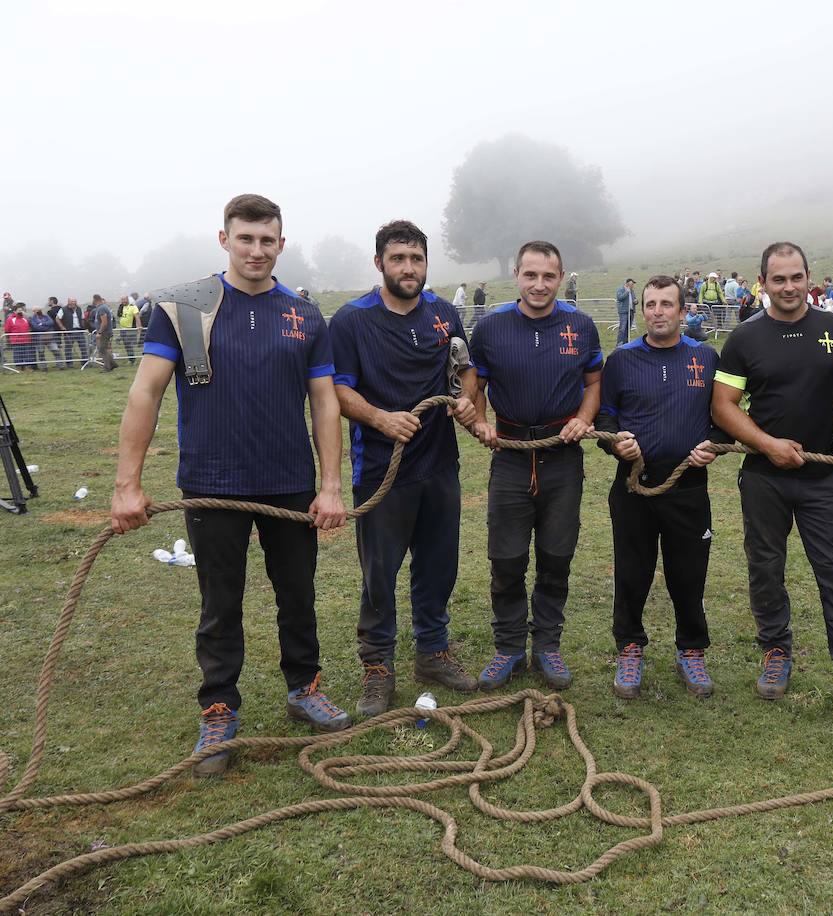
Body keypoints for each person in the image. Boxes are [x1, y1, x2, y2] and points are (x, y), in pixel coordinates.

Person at [111, 193, 350, 779]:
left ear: (281, 244)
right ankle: (218, 707)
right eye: (245, 238)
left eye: (268, 240)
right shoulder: (184, 306)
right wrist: (126, 485)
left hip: (290, 483)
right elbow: (146, 392)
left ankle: (304, 688)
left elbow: (324, 401)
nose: (256, 250)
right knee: (220, 602)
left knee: (298, 594)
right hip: (211, 483)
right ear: (224, 240)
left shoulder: (304, 314)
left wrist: (330, 485)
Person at [711, 241, 833, 725]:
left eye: (796, 277)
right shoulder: (744, 339)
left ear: (810, 278)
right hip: (764, 478)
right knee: (765, 568)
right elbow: (723, 406)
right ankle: (776, 652)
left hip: (824, 477)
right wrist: (767, 445)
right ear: (761, 282)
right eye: (778, 279)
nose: (788, 287)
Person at [330, 220, 480, 718]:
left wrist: (467, 402)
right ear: (380, 264)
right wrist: (378, 418)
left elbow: (465, 368)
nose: (408, 268)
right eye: (398, 259)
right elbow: (338, 390)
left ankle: (432, 652)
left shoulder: (442, 313)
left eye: (416, 259)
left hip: (439, 464)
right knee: (380, 573)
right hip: (381, 470)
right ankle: (377, 667)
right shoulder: (352, 321)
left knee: (439, 565)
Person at [468, 241, 602, 691]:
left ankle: (547, 645)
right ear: (516, 275)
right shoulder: (490, 328)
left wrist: (584, 418)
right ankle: (508, 647)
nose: (539, 285)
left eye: (548, 276)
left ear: (560, 277)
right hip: (509, 454)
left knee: (556, 556)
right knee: (505, 557)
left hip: (562, 455)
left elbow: (594, 381)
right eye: (530, 275)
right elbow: (475, 386)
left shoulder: (581, 326)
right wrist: (480, 420)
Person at [595, 276, 721, 699]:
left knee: (689, 574)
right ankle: (630, 647)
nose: (658, 312)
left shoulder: (706, 358)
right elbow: (605, 418)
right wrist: (617, 443)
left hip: (689, 487)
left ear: (684, 312)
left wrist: (714, 446)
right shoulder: (622, 360)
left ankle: (691, 649)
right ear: (642, 309)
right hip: (634, 488)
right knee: (632, 572)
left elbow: (722, 418)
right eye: (650, 304)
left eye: (667, 304)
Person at [90, 294, 116, 371]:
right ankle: (112, 364)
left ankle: (108, 367)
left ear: (95, 300)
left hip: (105, 332)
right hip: (105, 332)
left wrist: (100, 332)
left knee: (102, 349)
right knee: (103, 348)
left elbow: (104, 322)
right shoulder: (102, 307)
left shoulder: (102, 308)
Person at [615, 278, 637, 346]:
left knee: (628, 328)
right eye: (631, 284)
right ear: (627, 284)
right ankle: (619, 343)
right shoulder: (620, 289)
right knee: (623, 328)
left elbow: (634, 298)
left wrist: (636, 301)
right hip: (623, 312)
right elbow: (619, 298)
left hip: (631, 311)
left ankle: (626, 343)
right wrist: (627, 292)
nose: (633, 285)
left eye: (633, 284)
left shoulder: (632, 291)